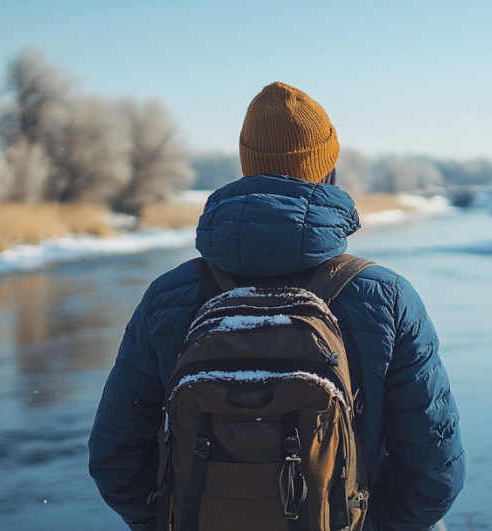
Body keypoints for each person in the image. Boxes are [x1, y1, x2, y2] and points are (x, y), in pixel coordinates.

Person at [89, 81, 464, 531]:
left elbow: (115, 461)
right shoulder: (388, 296)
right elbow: (434, 476)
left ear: (248, 169)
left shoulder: (168, 296)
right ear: (329, 172)